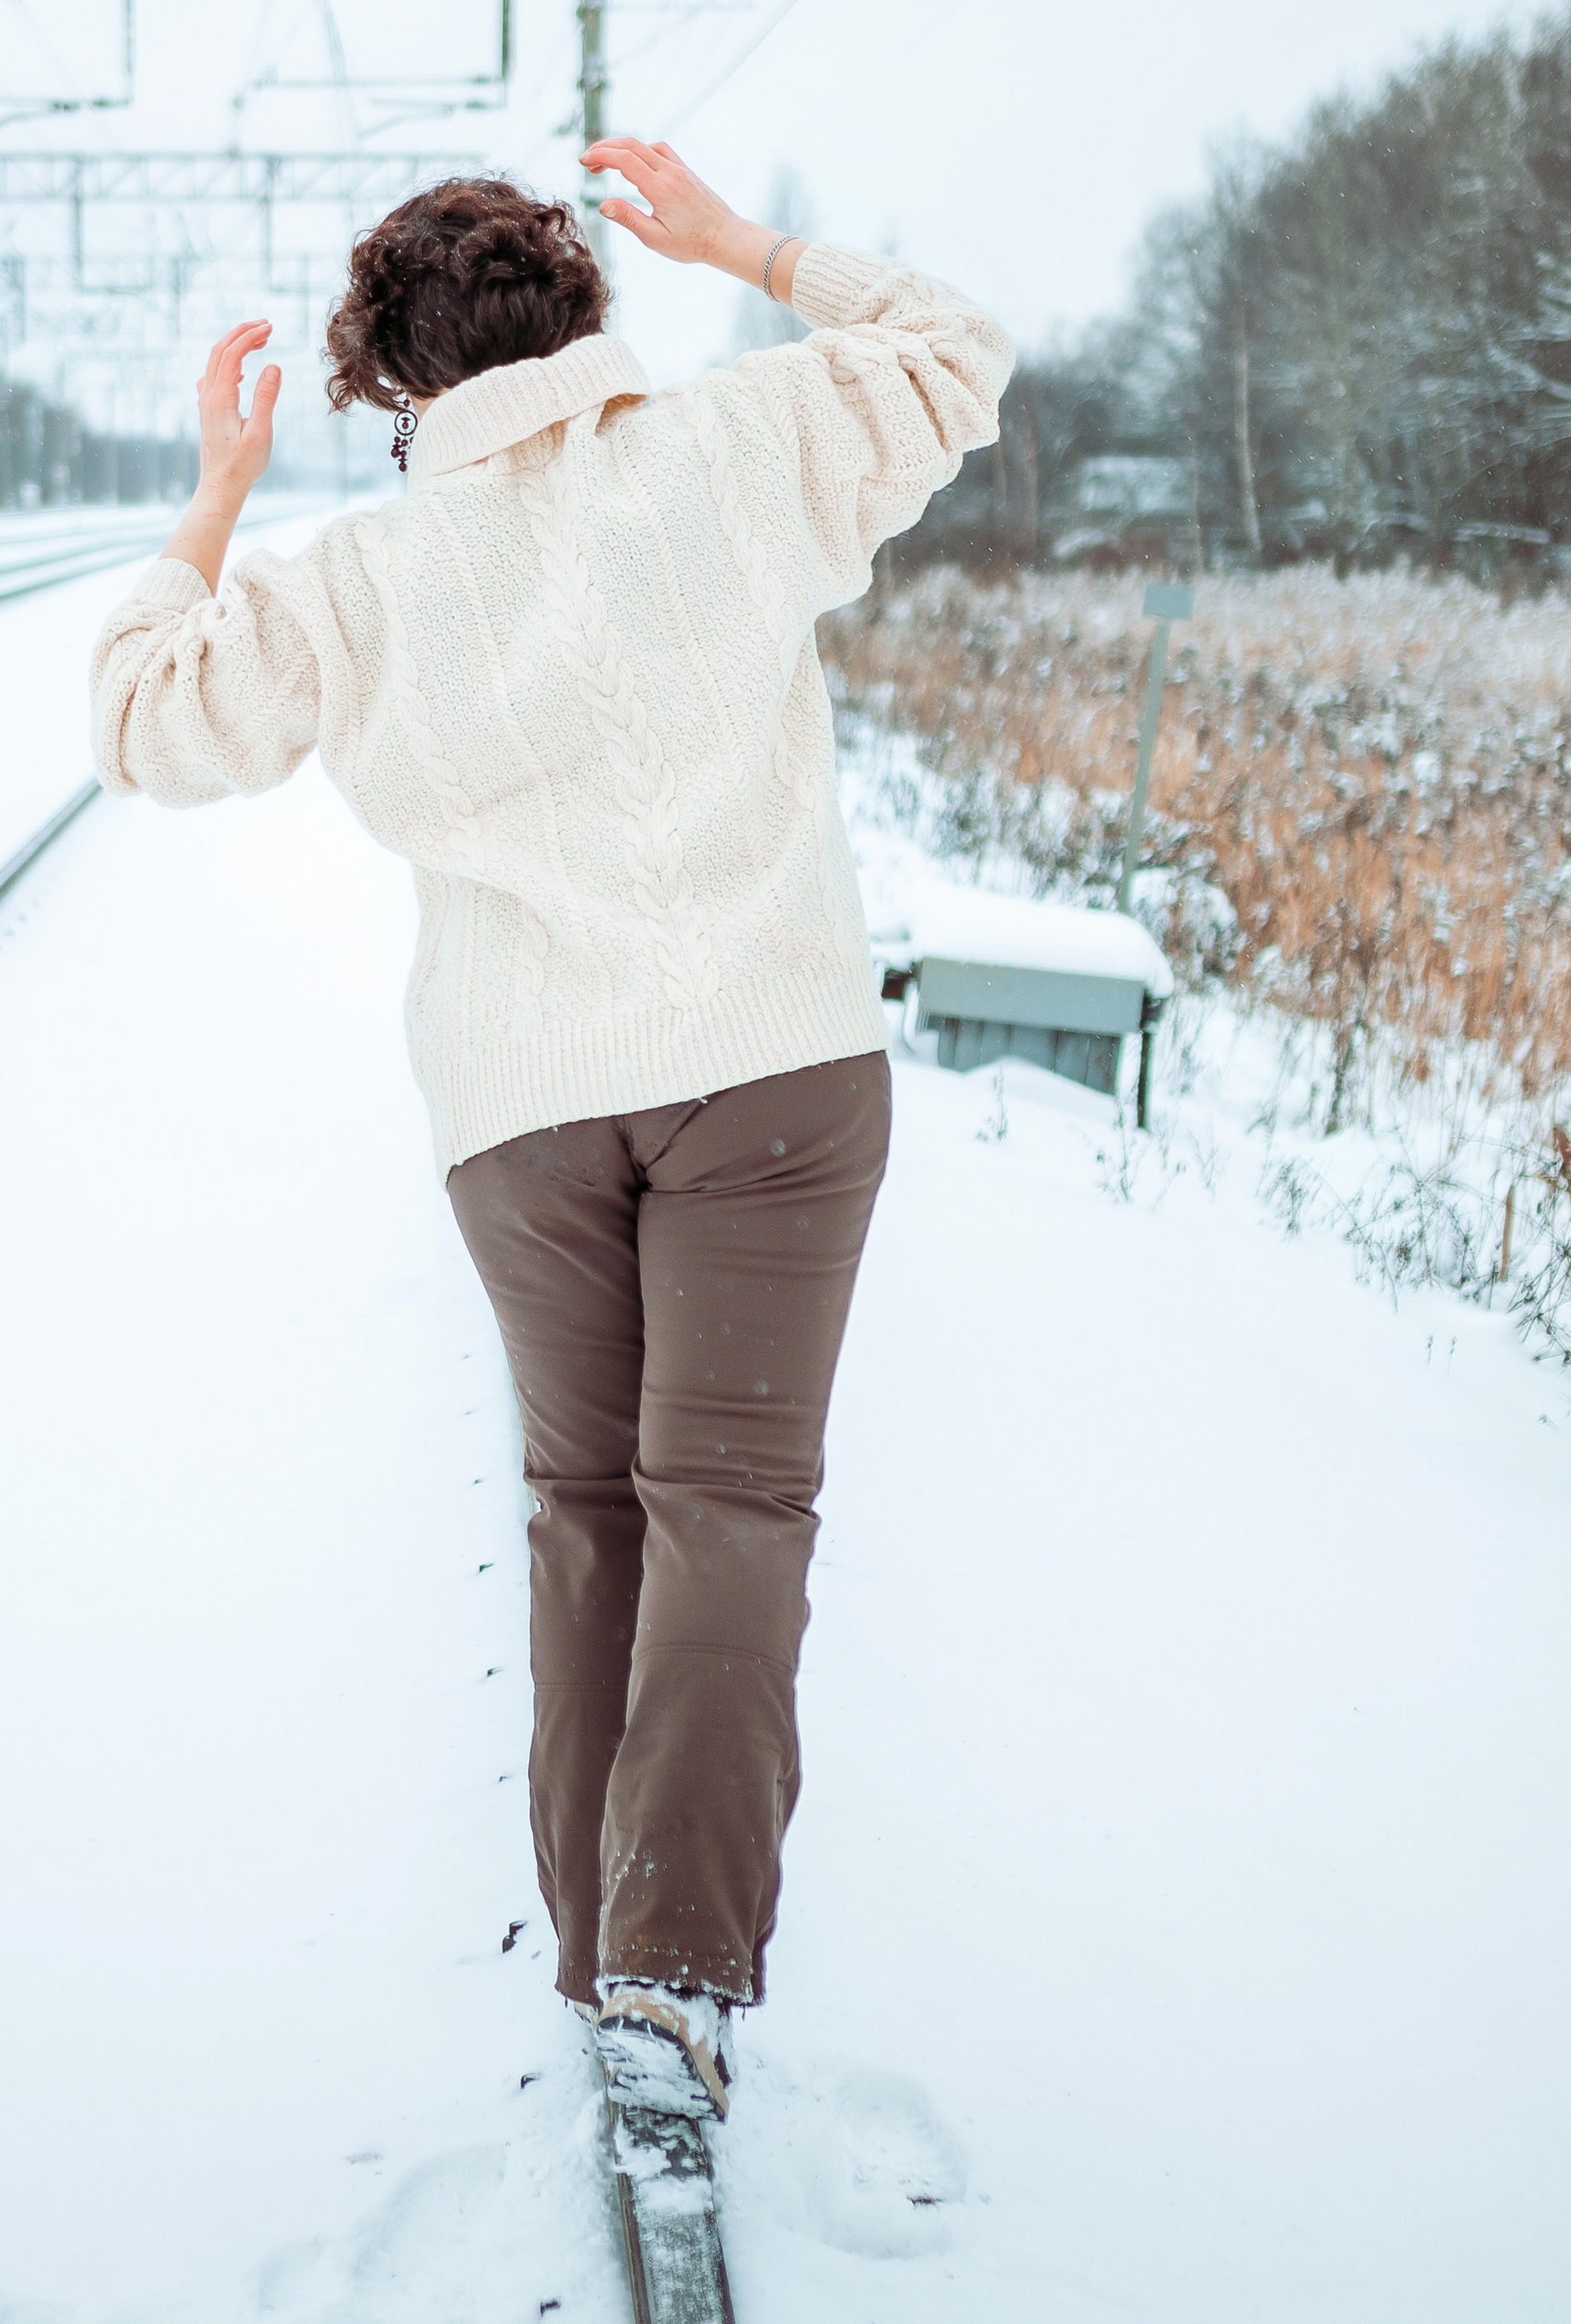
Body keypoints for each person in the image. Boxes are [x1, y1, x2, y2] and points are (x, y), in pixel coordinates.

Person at [88, 137, 1013, 2119]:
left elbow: (145, 725)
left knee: (588, 1511)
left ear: (388, 385)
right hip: (773, 1072)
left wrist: (218, 493)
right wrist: (745, 241)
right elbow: (951, 346)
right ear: (585, 317)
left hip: (521, 1115)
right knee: (733, 1509)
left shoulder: (356, 581)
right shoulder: (742, 446)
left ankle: (604, 1949)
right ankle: (676, 1973)